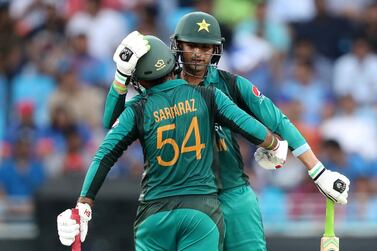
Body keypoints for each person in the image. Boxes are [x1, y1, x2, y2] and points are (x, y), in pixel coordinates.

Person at [102, 12, 350, 251]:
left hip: (233, 194)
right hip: (187, 202)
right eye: (192, 46)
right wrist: (120, 78)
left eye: (206, 47)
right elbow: (112, 125)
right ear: (177, 46)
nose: (198, 54)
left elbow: (279, 121)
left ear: (216, 50)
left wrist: (318, 171)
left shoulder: (231, 84)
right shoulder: (161, 87)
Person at [56, 33, 290, 251]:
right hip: (201, 211)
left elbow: (105, 147)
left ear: (139, 79)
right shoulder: (207, 95)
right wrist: (274, 145)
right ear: (172, 63)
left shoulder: (137, 109)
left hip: (154, 214)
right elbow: (249, 125)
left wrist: (85, 202)